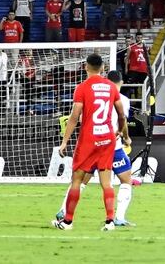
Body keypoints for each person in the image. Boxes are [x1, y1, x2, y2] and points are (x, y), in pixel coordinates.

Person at [52, 53, 128, 231]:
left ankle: (67, 222)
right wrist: (120, 131)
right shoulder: (111, 87)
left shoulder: (82, 88)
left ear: (86, 67)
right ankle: (110, 221)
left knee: (77, 180)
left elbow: (74, 117)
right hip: (107, 138)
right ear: (102, 68)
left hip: (89, 139)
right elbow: (121, 114)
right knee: (106, 182)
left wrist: (64, 142)